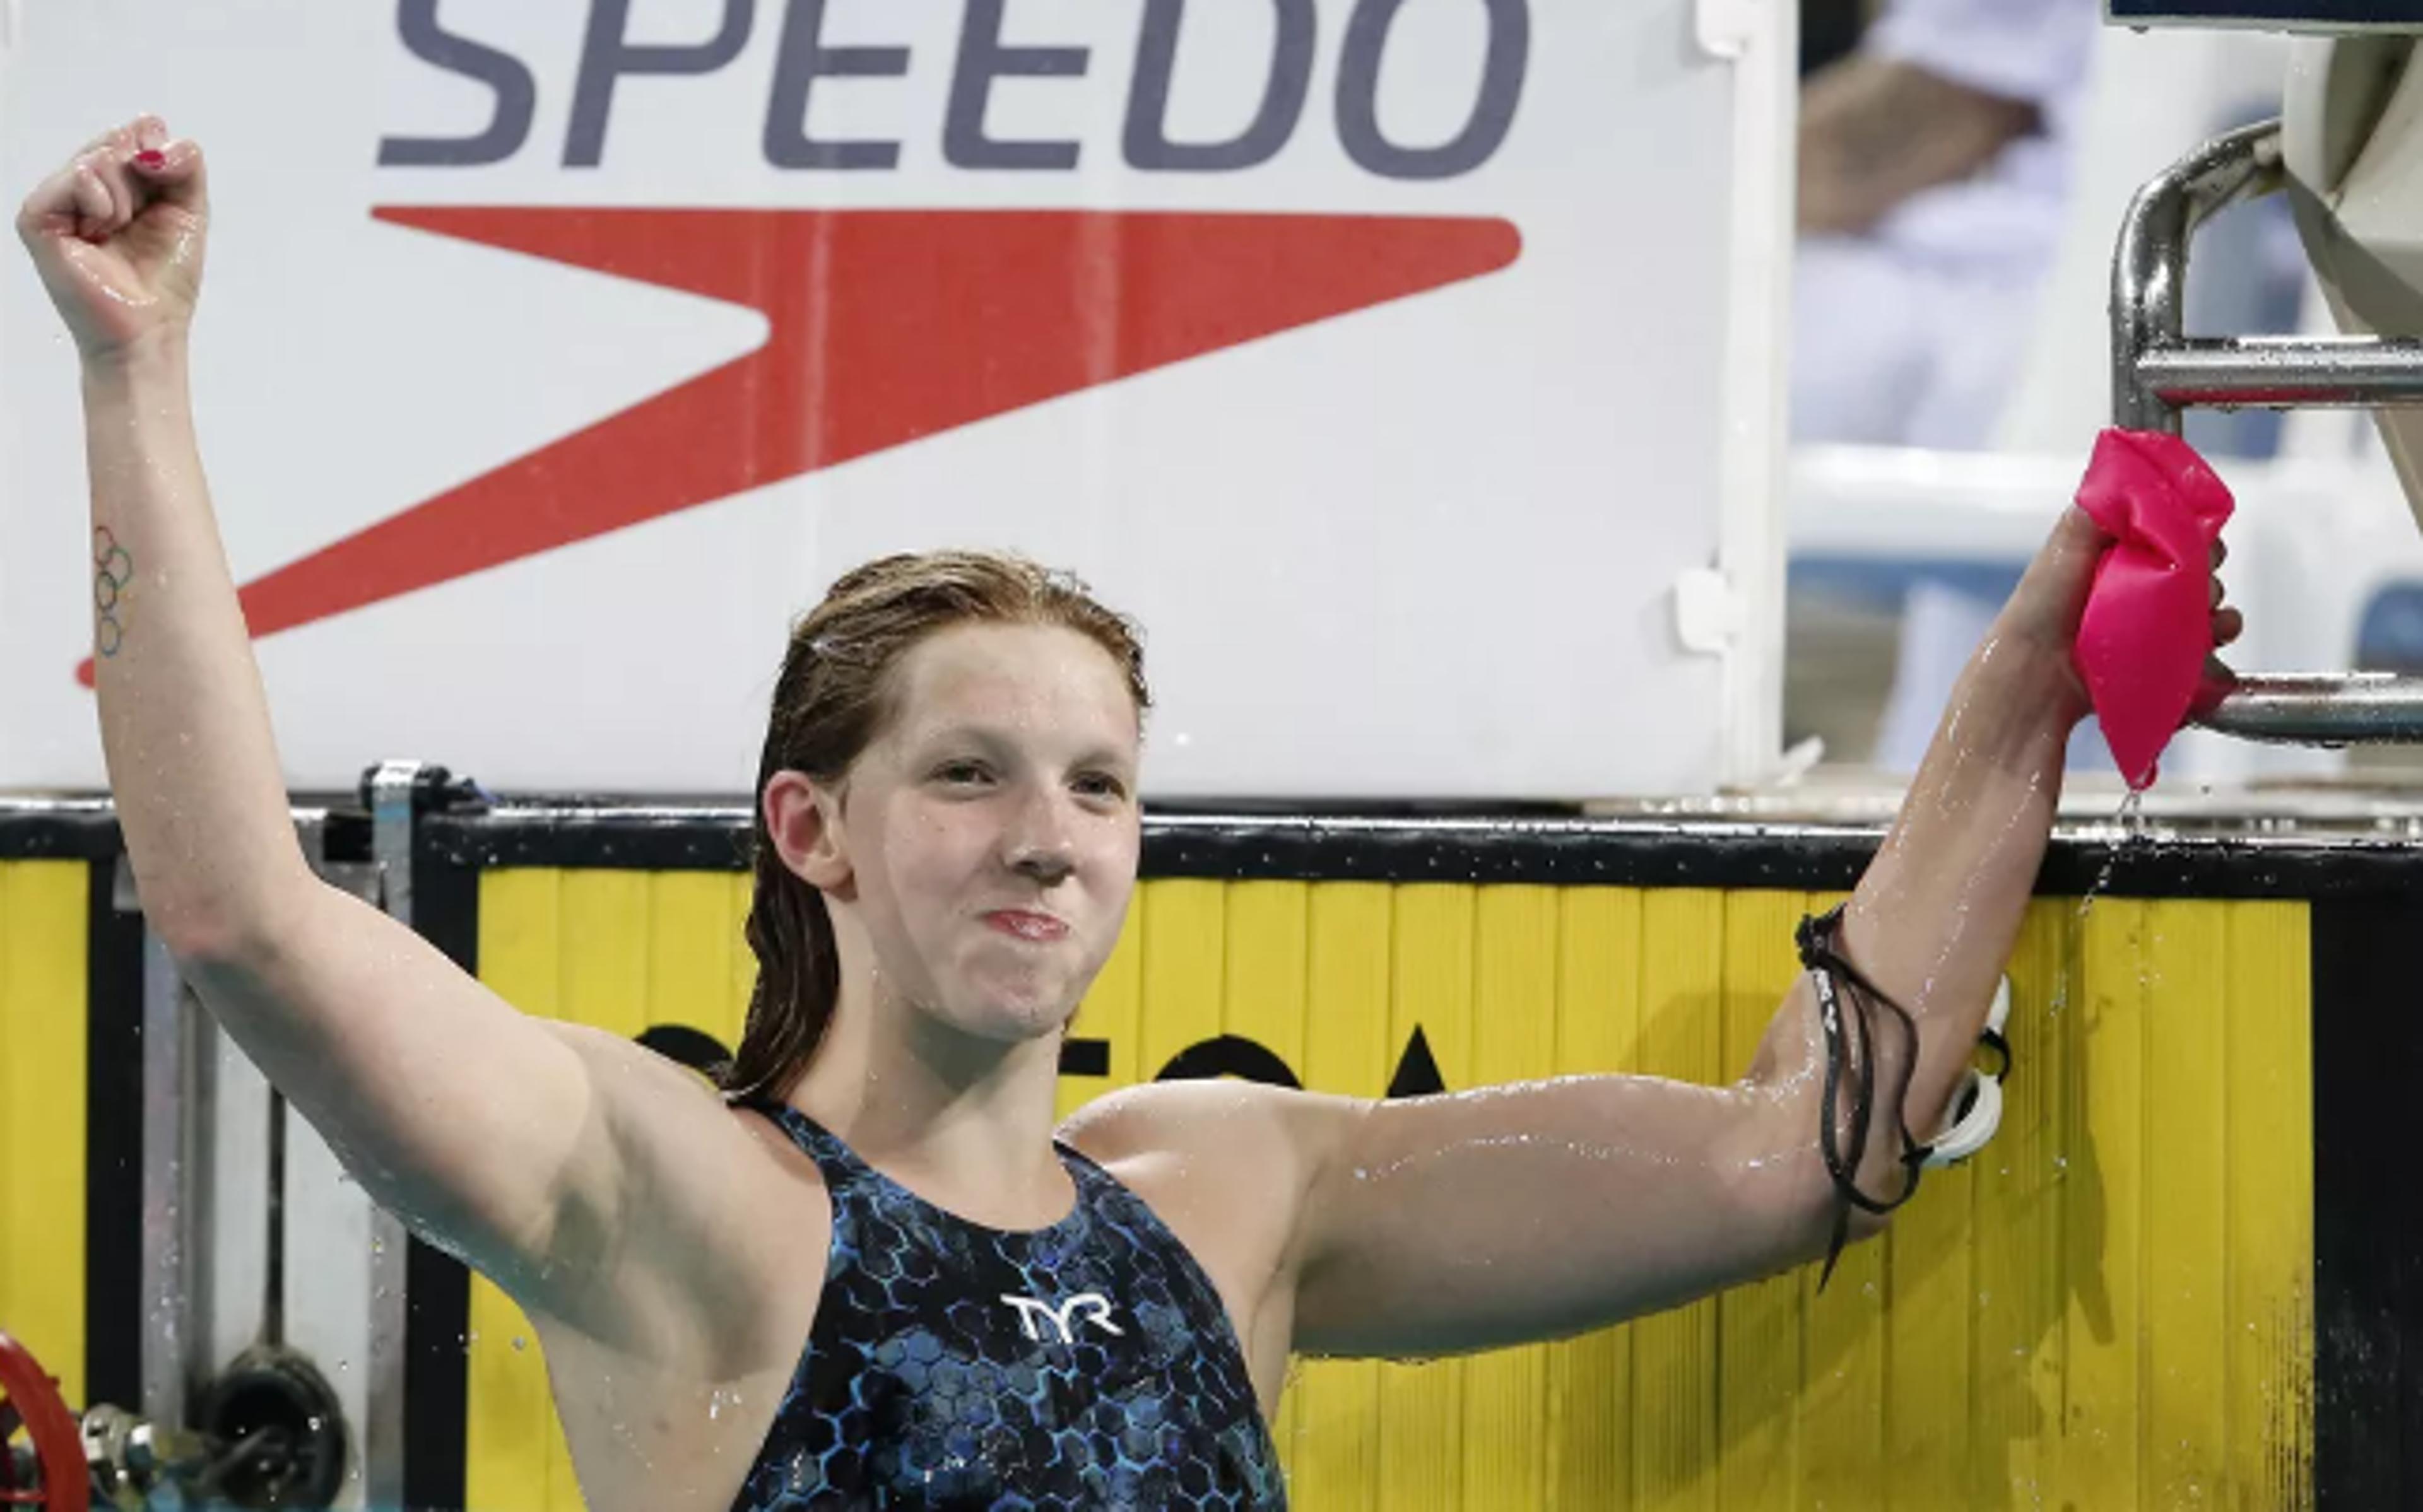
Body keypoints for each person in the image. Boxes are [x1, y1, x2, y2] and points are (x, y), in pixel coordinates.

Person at [19, 119, 2239, 1511]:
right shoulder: (679, 1206)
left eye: (1097, 782)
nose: (1048, 833)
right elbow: (242, 920)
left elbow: (1797, 1153)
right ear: (815, 831)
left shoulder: (1233, 1196)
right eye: (966, 773)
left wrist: (2034, 665)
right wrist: (134, 373)